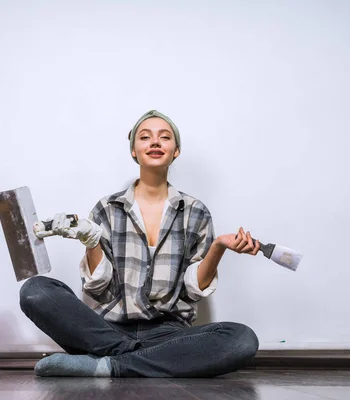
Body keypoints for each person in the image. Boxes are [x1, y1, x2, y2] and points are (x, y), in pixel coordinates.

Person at [20, 110, 260, 378]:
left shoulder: (196, 212)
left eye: (164, 137)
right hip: (106, 330)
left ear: (176, 150)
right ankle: (136, 360)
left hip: (168, 334)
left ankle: (109, 364)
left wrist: (218, 247)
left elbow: (193, 292)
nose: (155, 142)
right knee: (35, 290)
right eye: (145, 137)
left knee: (241, 338)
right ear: (134, 150)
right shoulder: (106, 209)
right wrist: (91, 241)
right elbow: (98, 288)